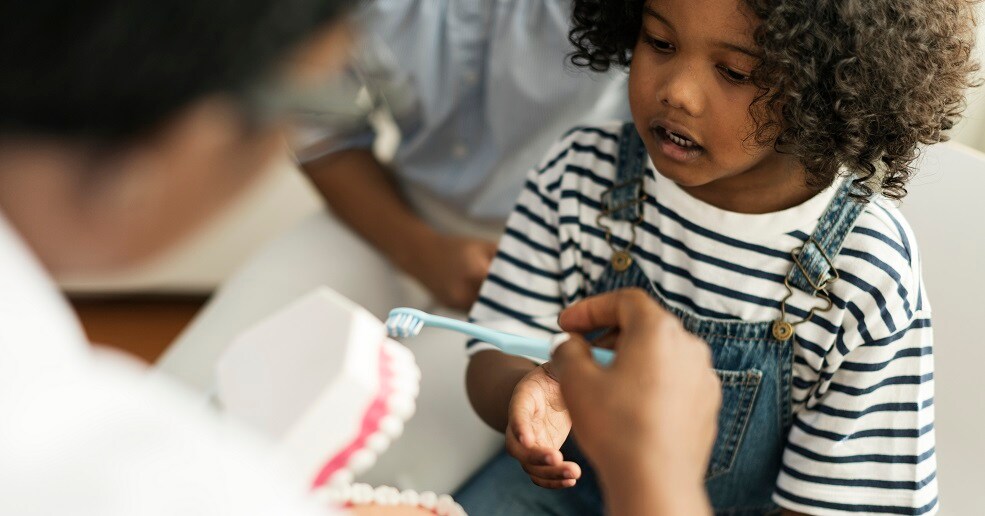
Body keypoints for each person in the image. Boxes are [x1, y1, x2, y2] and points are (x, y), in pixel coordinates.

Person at [0, 1, 721, 515]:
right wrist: (424, 250)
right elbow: (321, 127)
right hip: (392, 221)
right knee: (203, 389)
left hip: (561, 275)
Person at [460, 0, 980, 514]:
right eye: (660, 42)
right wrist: (523, 395)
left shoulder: (864, 267)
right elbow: (492, 348)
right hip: (560, 493)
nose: (677, 92)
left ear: (822, 89)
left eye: (735, 72)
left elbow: (843, 504)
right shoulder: (581, 174)